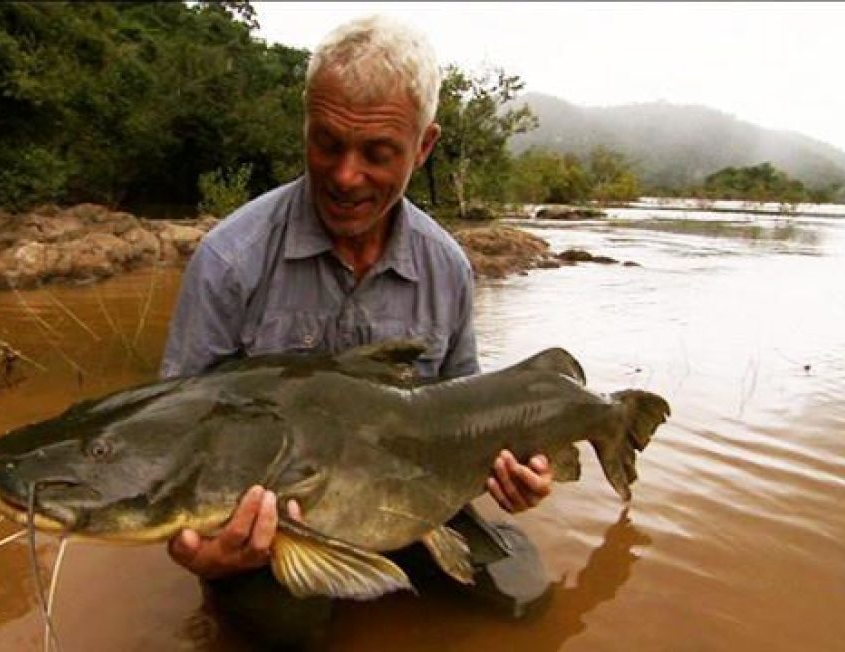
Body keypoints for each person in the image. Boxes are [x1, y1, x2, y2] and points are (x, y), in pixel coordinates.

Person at [160, 14, 553, 648]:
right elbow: (173, 443)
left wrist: (512, 472)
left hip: (409, 502)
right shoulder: (230, 261)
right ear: (306, 126)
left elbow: (465, 407)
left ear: (424, 147)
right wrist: (200, 554)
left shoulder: (446, 268)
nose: (345, 176)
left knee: (522, 598)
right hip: (277, 532)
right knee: (291, 631)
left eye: (377, 153)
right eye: (326, 143)